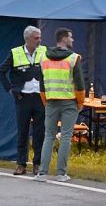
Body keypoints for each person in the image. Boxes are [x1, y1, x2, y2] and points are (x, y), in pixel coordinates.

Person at [35, 27, 86, 183]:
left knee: (48, 136)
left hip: (50, 101)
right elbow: (79, 84)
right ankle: (61, 174)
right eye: (70, 37)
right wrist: (80, 102)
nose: (72, 40)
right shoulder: (73, 58)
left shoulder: (43, 57)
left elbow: (42, 84)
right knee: (65, 137)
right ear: (64, 39)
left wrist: (45, 101)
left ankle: (42, 173)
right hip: (69, 102)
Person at [0, 26, 47, 176]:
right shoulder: (16, 53)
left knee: (40, 132)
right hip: (23, 98)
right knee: (23, 132)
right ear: (28, 39)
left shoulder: (45, 51)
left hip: (40, 97)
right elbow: (1, 72)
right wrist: (11, 89)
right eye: (36, 38)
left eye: (40, 37)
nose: (39, 40)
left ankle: (37, 164)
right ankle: (21, 164)